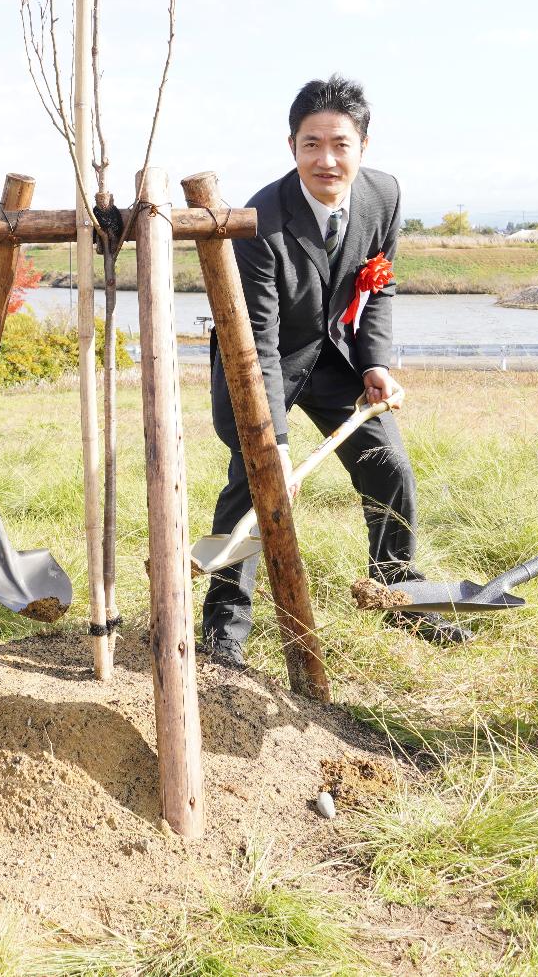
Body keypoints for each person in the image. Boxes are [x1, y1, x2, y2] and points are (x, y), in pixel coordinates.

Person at [199, 74, 458, 671]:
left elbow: (379, 284)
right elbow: (255, 343)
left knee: (388, 465)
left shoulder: (384, 196)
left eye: (340, 143)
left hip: (336, 359)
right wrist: (276, 446)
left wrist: (375, 362)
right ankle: (223, 629)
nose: (326, 159)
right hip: (260, 365)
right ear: (291, 146)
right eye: (311, 144)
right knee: (253, 483)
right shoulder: (257, 220)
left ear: (363, 145)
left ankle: (399, 593)